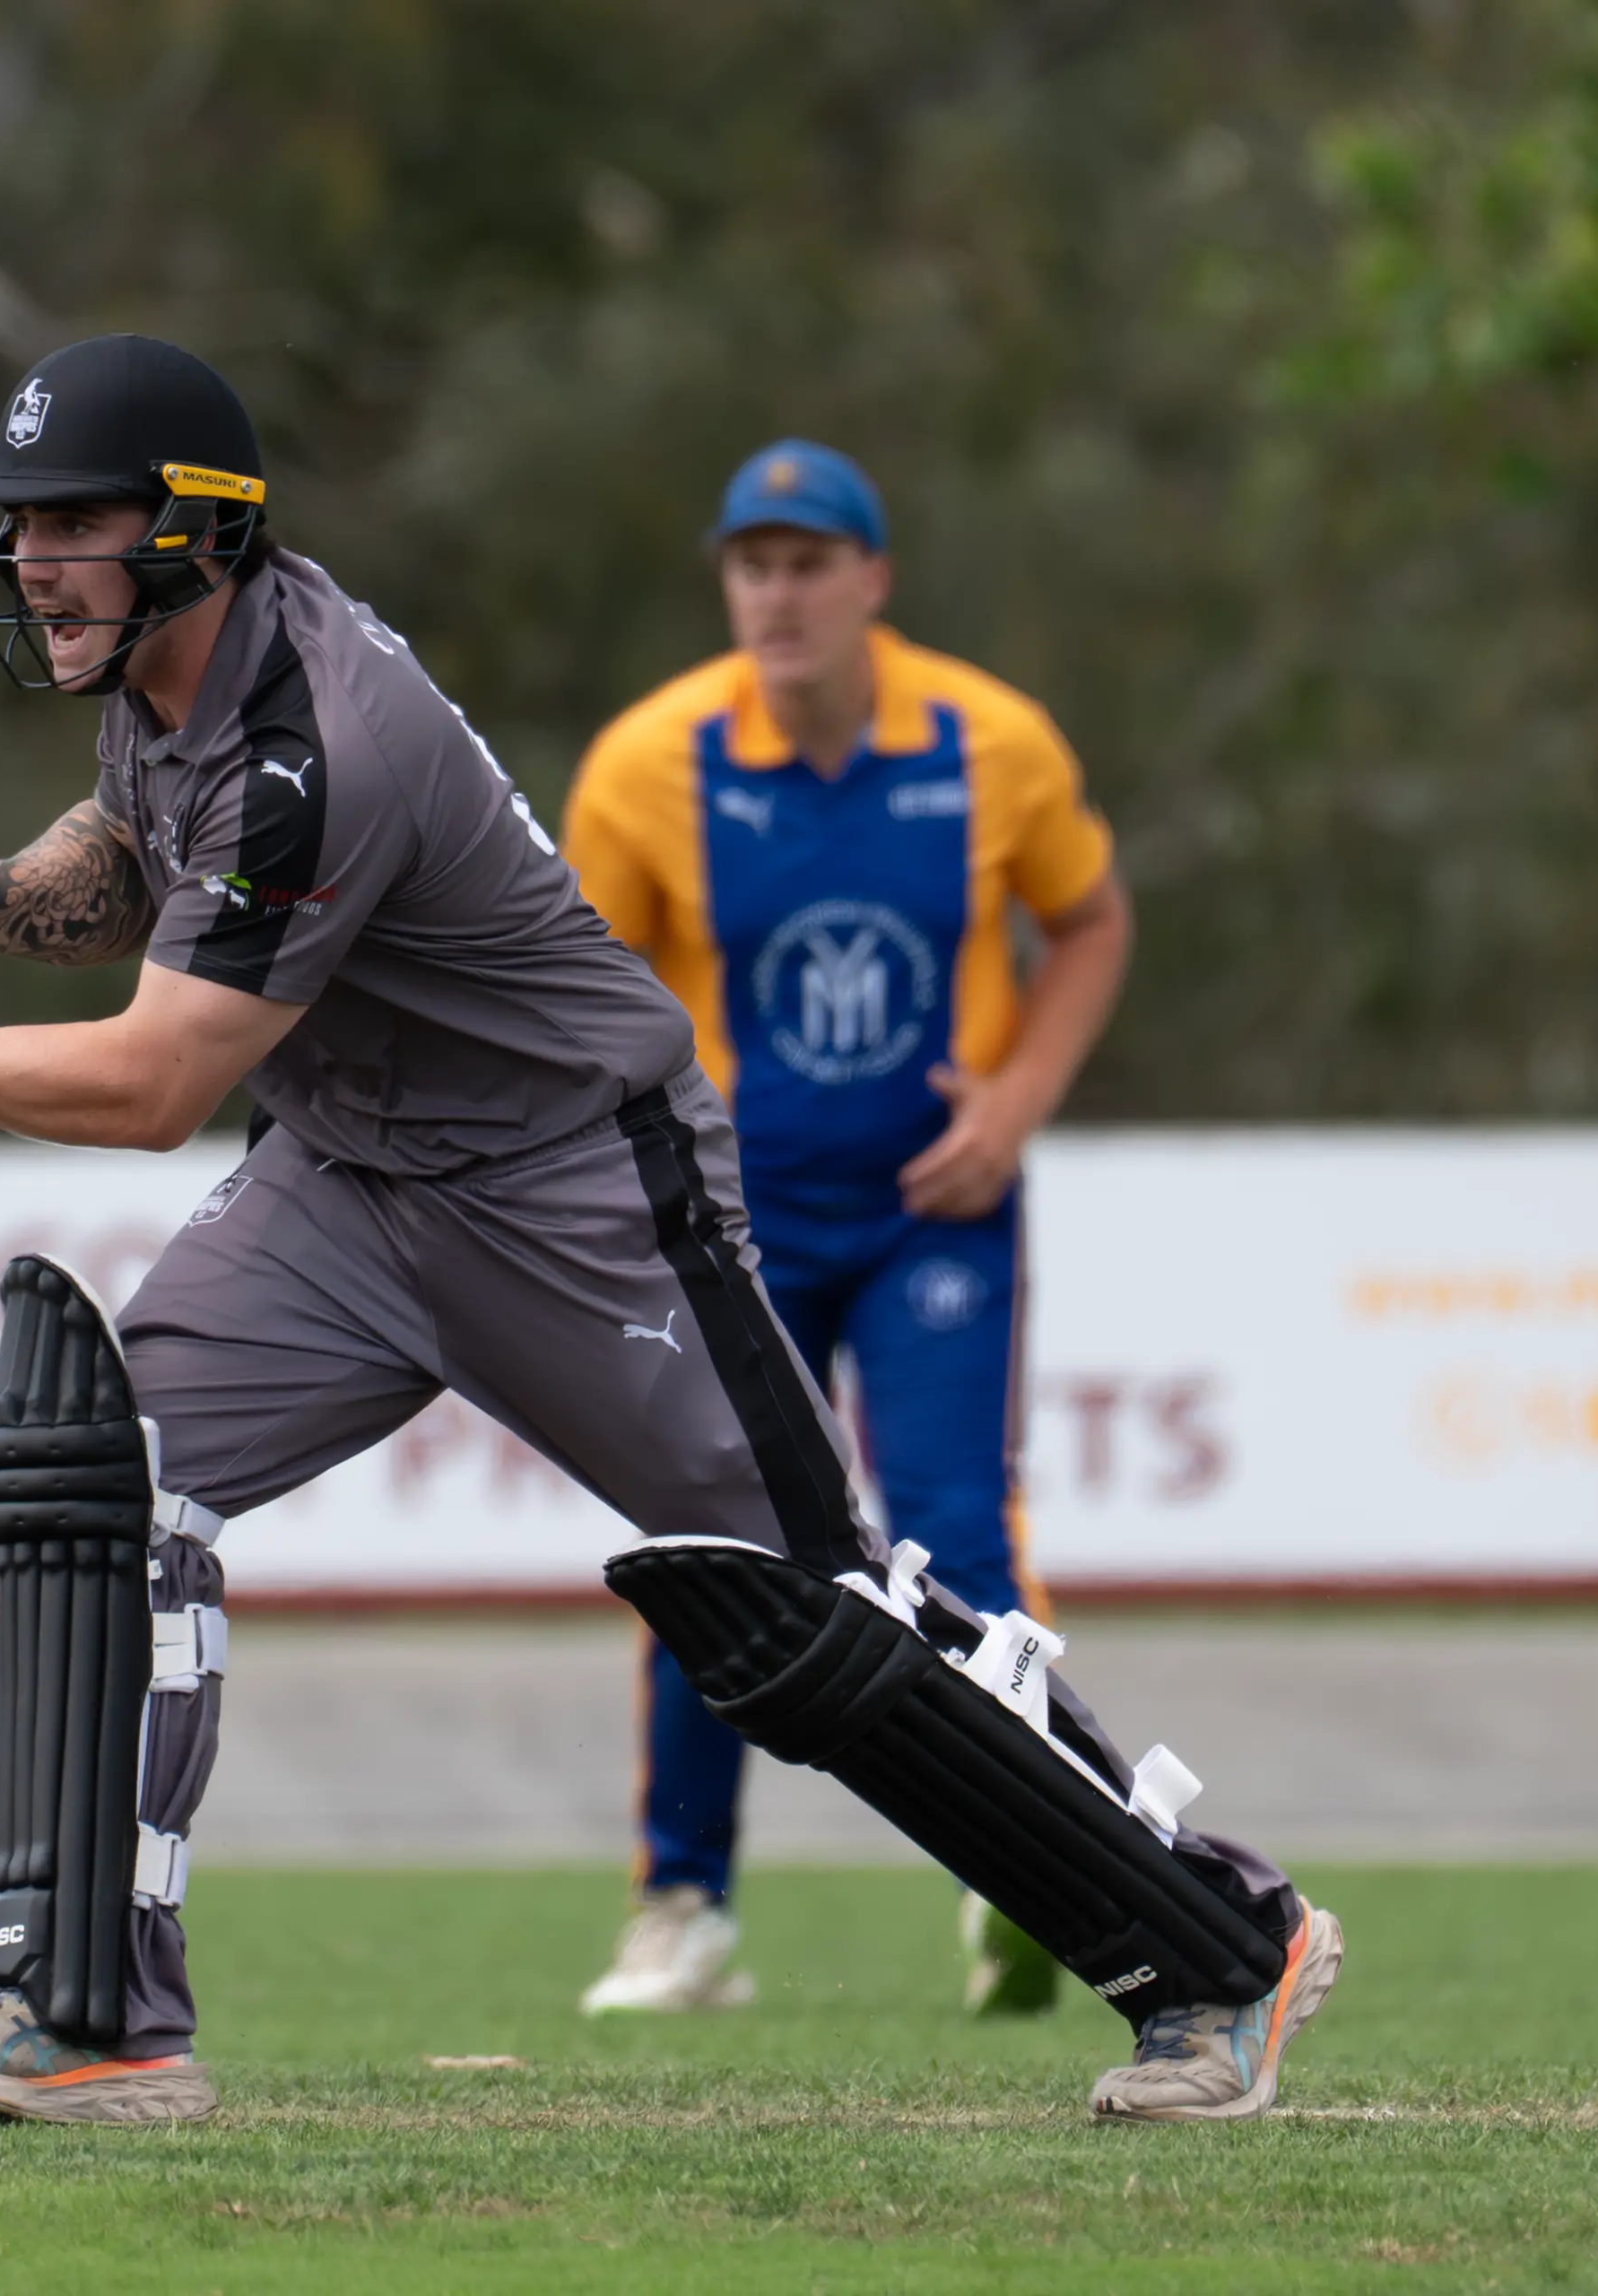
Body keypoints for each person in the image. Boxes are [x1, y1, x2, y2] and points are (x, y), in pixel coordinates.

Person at [0, 335, 1336, 2126]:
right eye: (19, 523)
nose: (32, 559)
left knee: (831, 1617)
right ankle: (90, 2015)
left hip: (575, 1191)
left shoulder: (322, 737)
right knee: (106, 1473)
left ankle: (1220, 1950)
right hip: (345, 1184)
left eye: (74, 521)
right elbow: (124, 847)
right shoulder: (166, 669)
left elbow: (159, 1081)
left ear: (200, 527)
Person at [555, 442, 1133, 2020]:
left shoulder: (989, 742)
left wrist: (1011, 1106)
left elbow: (1090, 920)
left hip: (939, 1210)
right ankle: (682, 1911)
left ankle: (1041, 1875)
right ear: (727, 583)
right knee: (718, 1551)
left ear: (873, 580)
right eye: (755, 563)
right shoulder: (646, 766)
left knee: (955, 1524)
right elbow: (574, 981)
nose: (780, 592)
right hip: (734, 1231)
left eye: (812, 562)